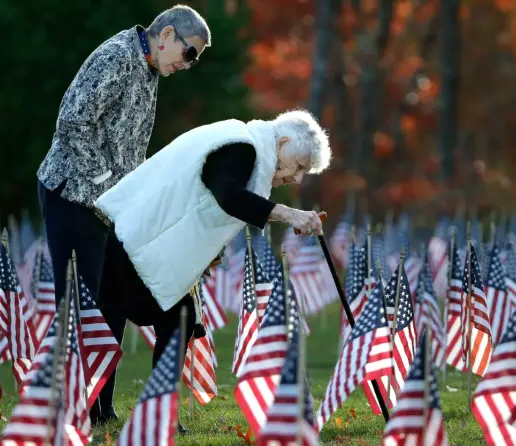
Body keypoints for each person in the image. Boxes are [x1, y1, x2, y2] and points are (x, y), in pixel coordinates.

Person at [93, 108, 331, 420]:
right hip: (139, 238)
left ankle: (133, 413)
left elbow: (204, 201)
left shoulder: (241, 142)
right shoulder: (242, 147)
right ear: (283, 142)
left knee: (158, 318)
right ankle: (124, 413)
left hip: (146, 237)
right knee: (142, 320)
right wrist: (289, 214)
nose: (296, 177)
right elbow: (227, 196)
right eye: (298, 166)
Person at [36, 5, 210, 426]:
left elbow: (128, 148)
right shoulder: (116, 57)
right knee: (82, 305)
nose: (189, 65)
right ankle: (68, 413)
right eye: (190, 54)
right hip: (72, 196)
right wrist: (108, 184)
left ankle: (101, 408)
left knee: (112, 301)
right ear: (166, 34)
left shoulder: (150, 69)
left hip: (111, 205)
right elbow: (71, 123)